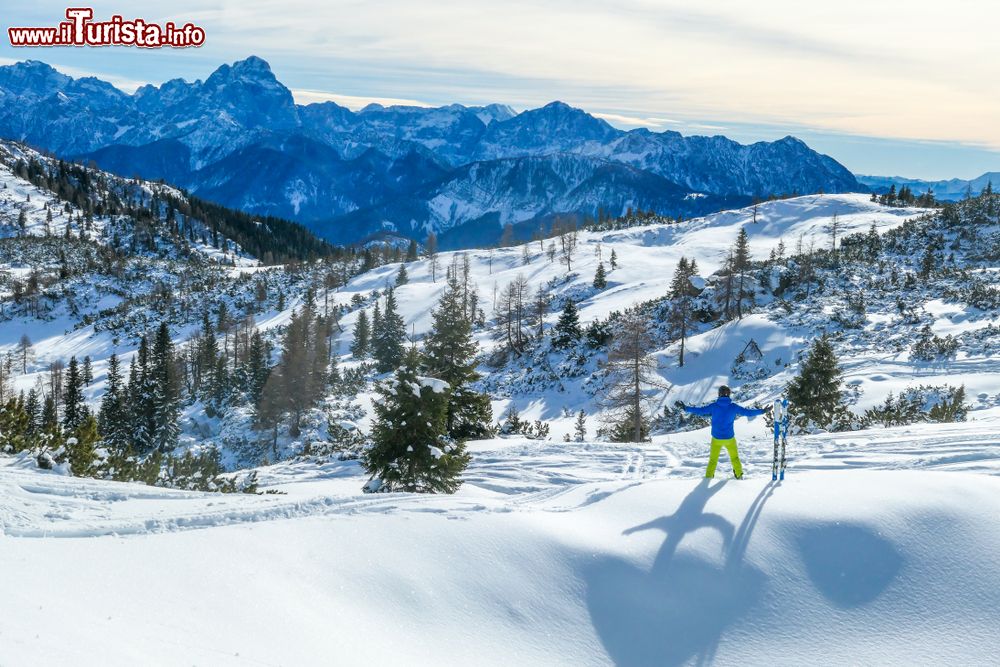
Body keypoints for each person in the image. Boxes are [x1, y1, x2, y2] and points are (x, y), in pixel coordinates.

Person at [679, 385, 769, 479]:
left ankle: (708, 477)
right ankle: (739, 476)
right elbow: (748, 412)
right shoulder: (733, 407)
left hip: (716, 439)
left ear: (719, 394)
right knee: (734, 458)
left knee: (713, 460)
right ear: (729, 395)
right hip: (729, 439)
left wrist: (686, 408)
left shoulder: (714, 406)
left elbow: (700, 411)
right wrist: (763, 411)